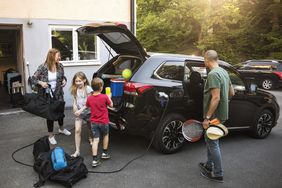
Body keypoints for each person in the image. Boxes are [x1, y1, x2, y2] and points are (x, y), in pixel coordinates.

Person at [199, 50, 234, 183]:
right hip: (222, 114)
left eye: (204, 61)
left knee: (213, 143)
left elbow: (216, 98)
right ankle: (209, 165)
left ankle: (218, 173)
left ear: (206, 61)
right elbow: (232, 93)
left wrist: (207, 118)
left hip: (214, 116)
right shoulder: (224, 72)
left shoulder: (213, 74)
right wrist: (225, 103)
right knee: (210, 139)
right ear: (217, 59)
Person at [31, 48, 71, 145]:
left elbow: (62, 77)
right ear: (52, 56)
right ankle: (50, 135)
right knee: (50, 114)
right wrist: (41, 82)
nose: (60, 58)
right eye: (58, 56)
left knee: (60, 111)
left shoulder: (60, 66)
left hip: (59, 93)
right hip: (48, 95)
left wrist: (64, 80)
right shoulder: (43, 67)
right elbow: (33, 78)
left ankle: (61, 129)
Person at [86, 77, 113, 167]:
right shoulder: (105, 97)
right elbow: (111, 105)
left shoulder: (89, 98)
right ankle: (104, 153)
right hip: (104, 122)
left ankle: (94, 159)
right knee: (105, 135)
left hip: (94, 122)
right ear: (101, 87)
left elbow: (88, 106)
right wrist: (109, 97)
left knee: (96, 140)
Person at [70, 72, 93, 157]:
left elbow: (89, 103)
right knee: (77, 130)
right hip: (79, 113)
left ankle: (91, 138)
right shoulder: (75, 89)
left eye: (80, 81)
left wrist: (80, 110)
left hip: (89, 112)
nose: (78, 83)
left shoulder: (88, 89)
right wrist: (74, 107)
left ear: (84, 80)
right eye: (76, 81)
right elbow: (75, 101)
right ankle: (77, 151)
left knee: (90, 128)